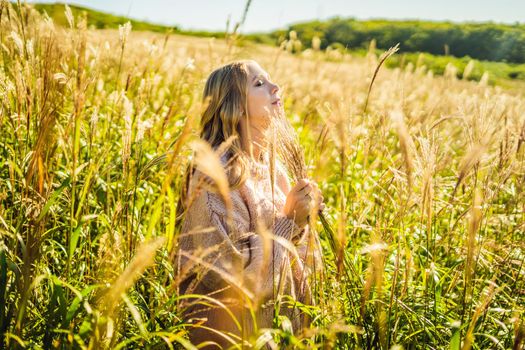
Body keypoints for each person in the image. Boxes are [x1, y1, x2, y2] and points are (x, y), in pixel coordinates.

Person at [176, 60, 324, 348]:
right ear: (236, 106)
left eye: (270, 79)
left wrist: (306, 218)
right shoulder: (214, 177)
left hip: (277, 333)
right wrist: (290, 220)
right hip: (234, 336)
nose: (275, 87)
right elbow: (228, 275)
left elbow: (296, 254)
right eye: (259, 84)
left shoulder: (272, 167)